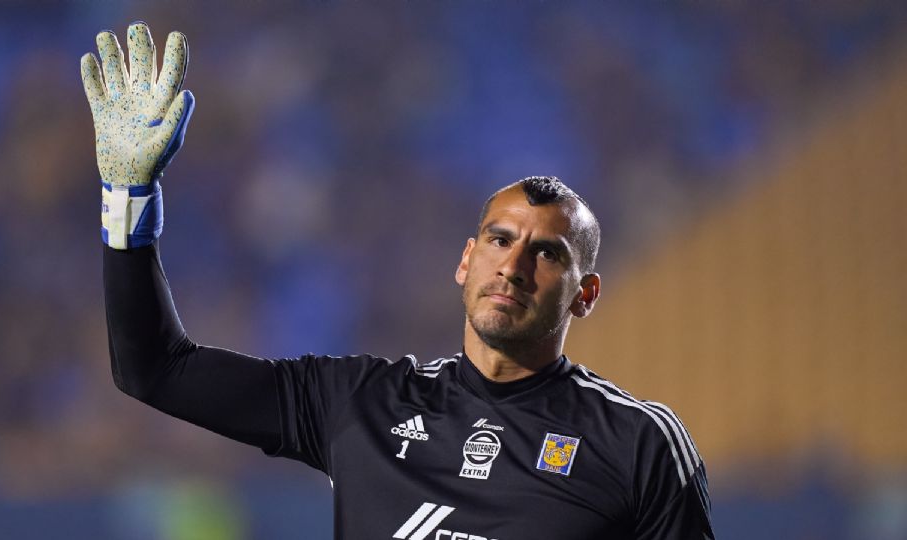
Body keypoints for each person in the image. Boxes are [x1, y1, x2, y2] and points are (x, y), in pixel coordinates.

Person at [83, 22, 714, 540]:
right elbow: (155, 370)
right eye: (499, 239)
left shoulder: (638, 445)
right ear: (466, 261)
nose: (514, 266)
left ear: (586, 294)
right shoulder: (363, 405)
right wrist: (128, 198)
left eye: (546, 253)